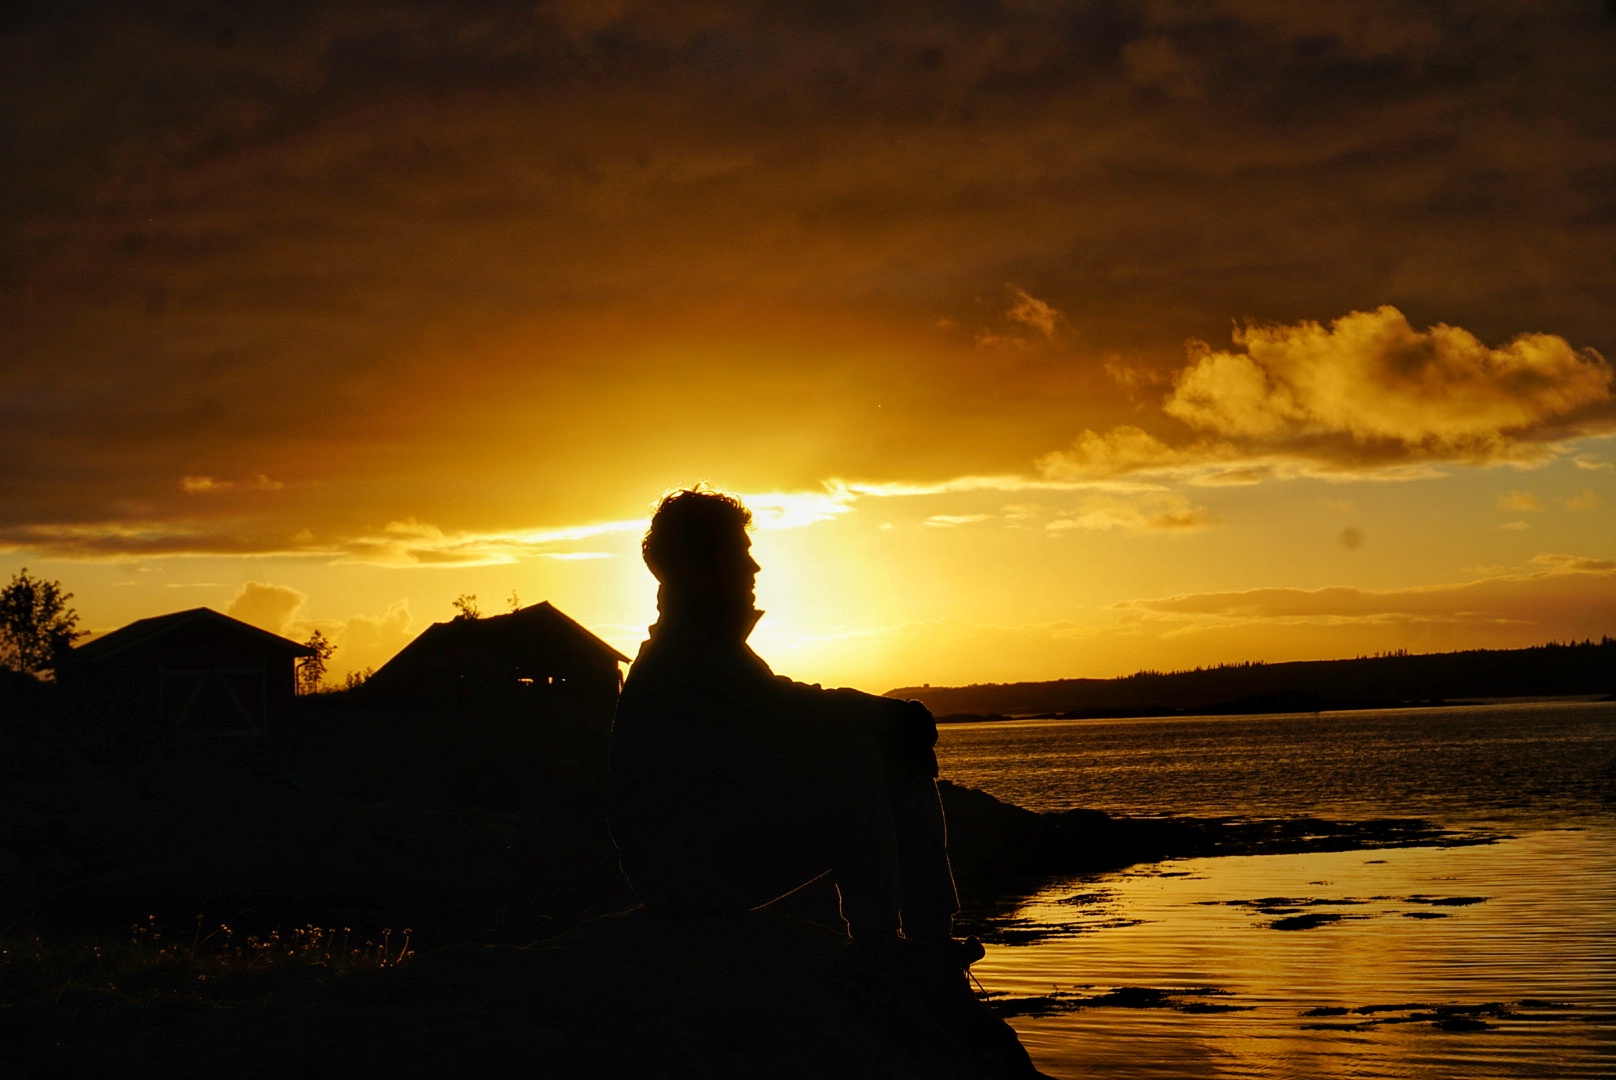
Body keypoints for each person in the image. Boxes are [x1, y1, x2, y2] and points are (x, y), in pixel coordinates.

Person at [609, 486, 981, 973]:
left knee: (876, 741)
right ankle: (883, 944)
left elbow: (783, 708)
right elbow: (788, 708)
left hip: (696, 859)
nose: (754, 568)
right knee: (855, 749)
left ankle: (927, 936)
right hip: (683, 876)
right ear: (697, 569)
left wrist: (889, 723)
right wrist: (891, 718)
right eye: (740, 554)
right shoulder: (686, 656)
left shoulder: (700, 646)